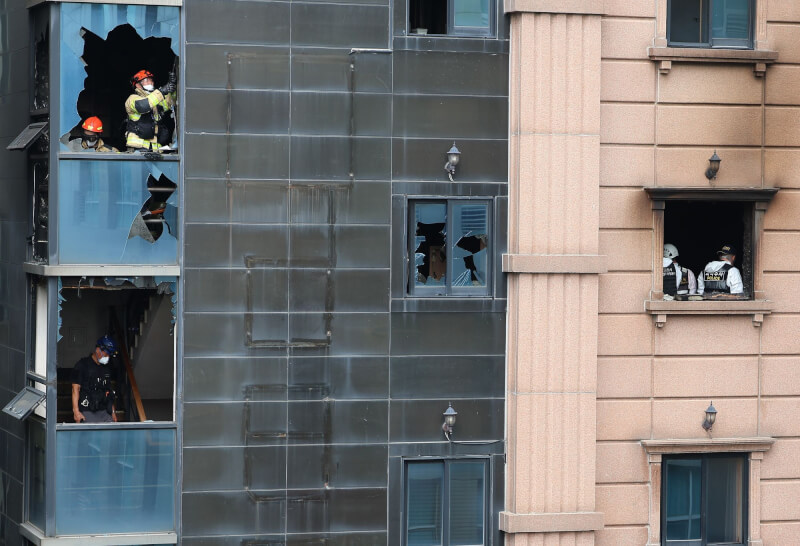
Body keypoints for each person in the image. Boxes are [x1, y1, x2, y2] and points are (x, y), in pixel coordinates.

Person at [124, 69, 176, 152]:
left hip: (155, 149)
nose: (150, 82)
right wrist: (162, 91)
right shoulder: (132, 99)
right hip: (138, 150)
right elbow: (143, 106)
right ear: (137, 85)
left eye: (151, 80)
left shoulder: (156, 99)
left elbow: (170, 103)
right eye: (146, 80)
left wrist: (172, 88)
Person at [71, 336, 119, 423]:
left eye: (109, 355)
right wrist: (76, 411)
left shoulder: (106, 368)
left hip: (104, 411)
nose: (107, 357)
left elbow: (109, 392)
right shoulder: (82, 365)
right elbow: (75, 389)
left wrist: (113, 413)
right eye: (106, 354)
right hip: (87, 410)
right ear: (98, 350)